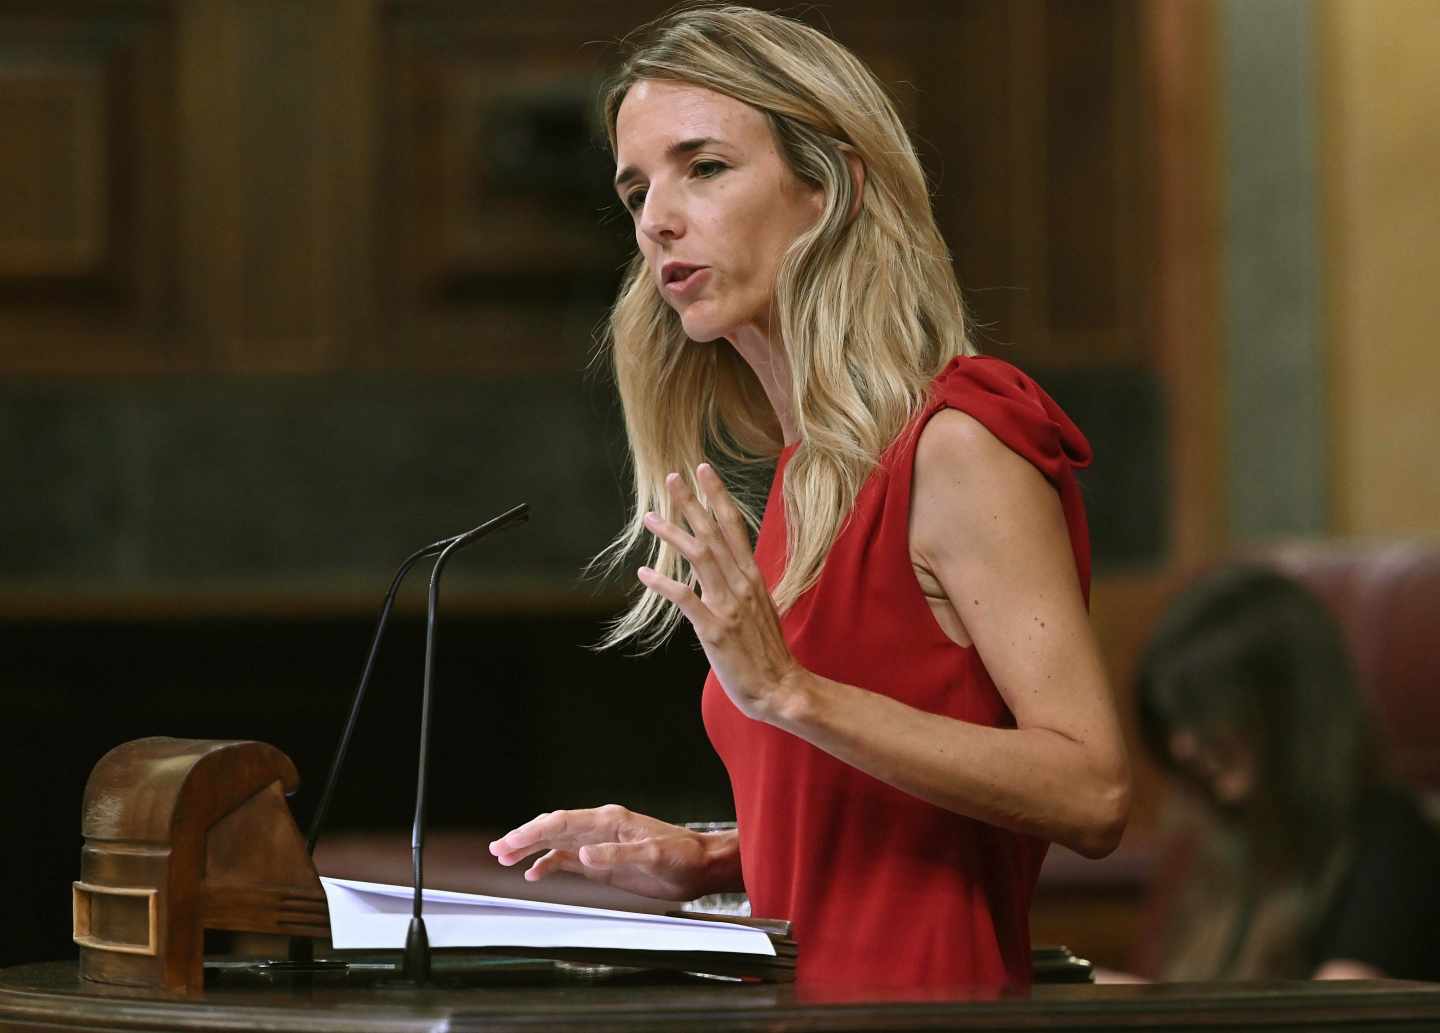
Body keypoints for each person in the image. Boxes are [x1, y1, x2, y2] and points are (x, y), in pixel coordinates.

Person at [489, 4, 1130, 989]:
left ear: (831, 186)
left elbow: (1092, 787)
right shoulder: (807, 476)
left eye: (703, 167)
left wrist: (793, 693)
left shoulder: (959, 444)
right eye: (636, 188)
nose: (656, 216)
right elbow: (888, 821)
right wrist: (709, 856)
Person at [1135, 563, 1440, 982]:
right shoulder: (1231, 853)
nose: (1181, 745)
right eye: (1174, 720)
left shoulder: (1392, 841)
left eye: (1206, 709)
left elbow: (1339, 1017)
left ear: (1285, 704)